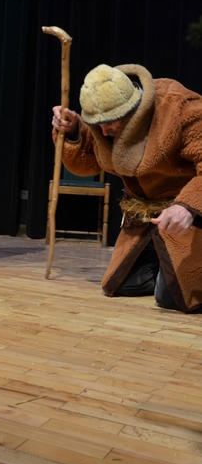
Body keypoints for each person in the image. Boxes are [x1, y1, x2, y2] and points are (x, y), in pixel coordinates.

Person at [52, 63, 202, 313]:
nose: (104, 131)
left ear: (132, 108)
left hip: (189, 217)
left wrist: (187, 207)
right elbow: (88, 162)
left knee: (173, 296)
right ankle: (164, 260)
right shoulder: (104, 127)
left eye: (110, 122)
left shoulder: (178, 107)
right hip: (148, 219)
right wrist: (74, 131)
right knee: (119, 284)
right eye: (97, 124)